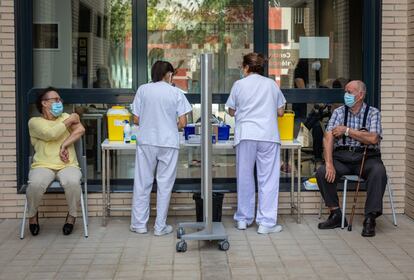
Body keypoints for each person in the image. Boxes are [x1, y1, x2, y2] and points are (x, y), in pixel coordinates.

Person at [226, 52, 286, 234]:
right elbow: (281, 111)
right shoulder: (271, 85)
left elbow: (230, 110)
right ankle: (266, 223)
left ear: (246, 67)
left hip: (246, 134)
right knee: (267, 179)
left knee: (244, 177)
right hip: (268, 135)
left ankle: (243, 219)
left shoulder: (239, 85)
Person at [316, 80, 386, 237]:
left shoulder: (373, 113)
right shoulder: (339, 112)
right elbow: (328, 137)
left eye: (349, 92)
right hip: (342, 156)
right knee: (322, 172)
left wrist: (347, 130)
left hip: (366, 157)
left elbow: (373, 138)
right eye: (345, 92)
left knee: (379, 171)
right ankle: (336, 214)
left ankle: (370, 218)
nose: (346, 95)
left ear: (360, 95)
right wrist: (329, 163)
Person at [130, 60, 192, 236]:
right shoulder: (176, 93)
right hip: (168, 142)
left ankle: (139, 225)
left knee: (143, 183)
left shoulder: (143, 89)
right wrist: (167, 123)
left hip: (147, 141)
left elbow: (136, 119)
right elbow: (182, 122)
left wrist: (151, 122)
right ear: (169, 74)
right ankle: (160, 227)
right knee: (165, 184)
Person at [27, 87, 85, 236]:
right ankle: (32, 215)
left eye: (60, 100)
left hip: (68, 164)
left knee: (72, 182)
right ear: (44, 103)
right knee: (35, 184)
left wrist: (64, 145)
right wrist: (70, 120)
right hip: (43, 164)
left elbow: (80, 130)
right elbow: (50, 134)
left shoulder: (65, 116)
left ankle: (71, 217)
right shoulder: (34, 122)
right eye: (55, 100)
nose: (59, 102)